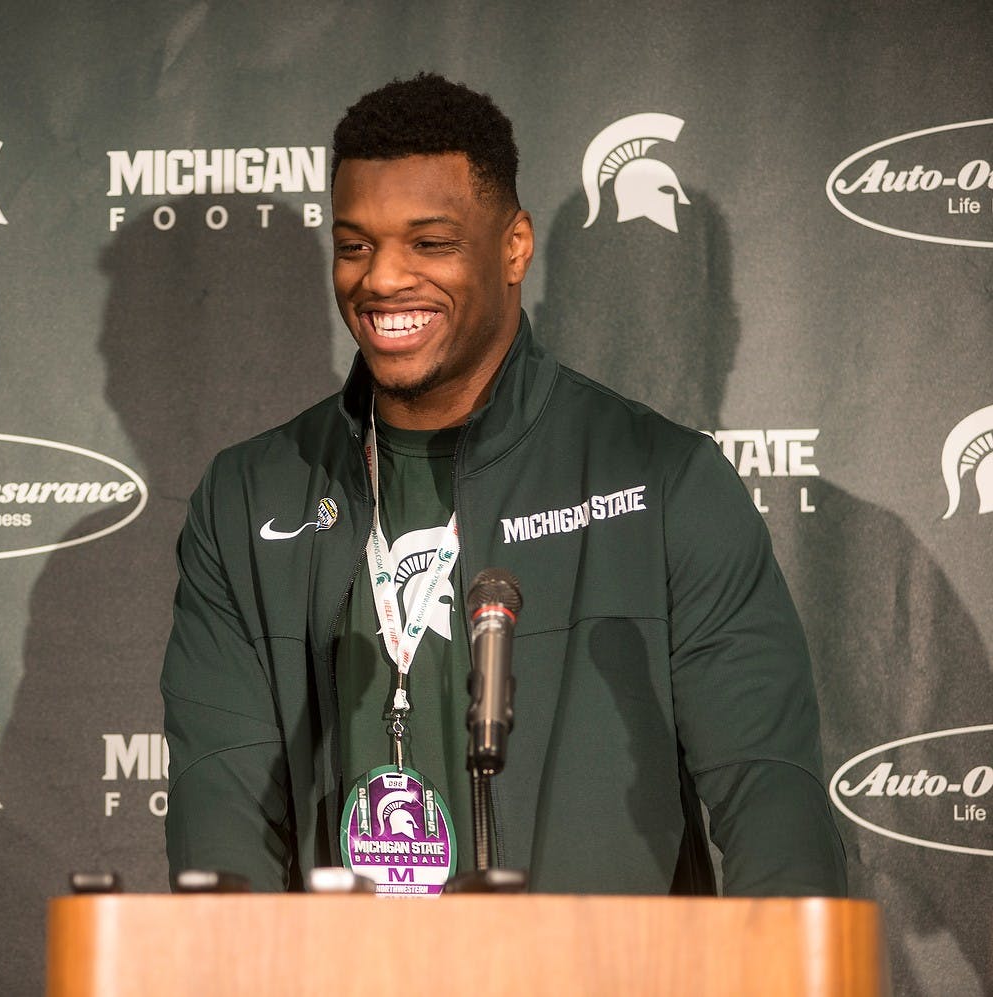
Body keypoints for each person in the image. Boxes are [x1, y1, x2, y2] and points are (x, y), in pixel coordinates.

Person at [162, 72, 847, 896]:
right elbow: (221, 831)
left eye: (430, 243)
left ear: (514, 247)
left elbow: (774, 805)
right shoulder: (246, 500)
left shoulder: (666, 482)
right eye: (355, 245)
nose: (382, 279)